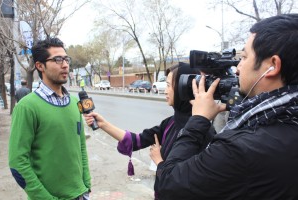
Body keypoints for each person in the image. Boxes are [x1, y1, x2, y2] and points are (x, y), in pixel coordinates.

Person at [156, 14, 298, 199]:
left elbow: (168, 184)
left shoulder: (243, 149)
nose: (238, 67)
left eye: (244, 57)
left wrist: (198, 119)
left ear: (272, 66)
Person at [83, 62, 215, 199]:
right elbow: (137, 141)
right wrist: (103, 124)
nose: (165, 90)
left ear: (184, 88)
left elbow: (188, 182)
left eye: (169, 85)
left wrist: (160, 162)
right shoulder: (170, 122)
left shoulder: (203, 131)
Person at [8, 37, 91, 200]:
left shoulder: (75, 103)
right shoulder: (27, 107)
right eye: (57, 59)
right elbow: (18, 163)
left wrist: (86, 184)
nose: (65, 64)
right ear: (40, 66)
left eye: (66, 59)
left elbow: (80, 146)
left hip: (81, 194)